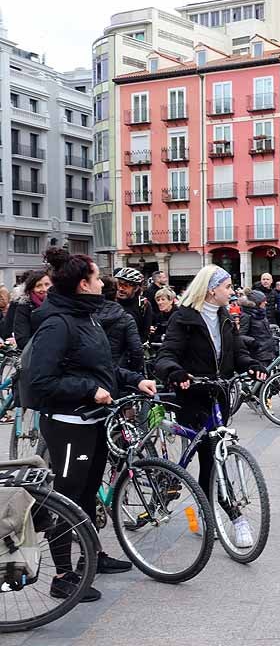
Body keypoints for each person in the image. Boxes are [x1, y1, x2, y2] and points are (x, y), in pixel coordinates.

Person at [25, 247, 158, 601]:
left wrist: (132, 380)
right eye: (98, 278)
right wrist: (89, 389)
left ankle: (93, 556)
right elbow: (40, 383)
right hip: (68, 424)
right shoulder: (58, 323)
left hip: (93, 420)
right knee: (67, 499)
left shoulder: (87, 316)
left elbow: (100, 367)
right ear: (84, 285)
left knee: (86, 495)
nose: (104, 283)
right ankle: (64, 576)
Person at [154, 265, 266, 549]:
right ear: (211, 289)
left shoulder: (224, 317)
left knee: (215, 455)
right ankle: (230, 517)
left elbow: (237, 351)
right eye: (227, 287)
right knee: (209, 459)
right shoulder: (185, 318)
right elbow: (166, 355)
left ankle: (211, 512)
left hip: (219, 394)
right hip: (192, 396)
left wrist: (251, 365)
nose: (232, 292)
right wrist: (176, 373)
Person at [97, 278, 143, 373]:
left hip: (91, 371)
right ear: (115, 293)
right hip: (119, 370)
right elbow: (136, 349)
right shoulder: (126, 318)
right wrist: (133, 371)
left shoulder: (85, 315)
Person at [12, 269, 51, 348]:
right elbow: (22, 339)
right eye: (38, 286)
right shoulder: (24, 307)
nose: (44, 289)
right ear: (31, 289)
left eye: (47, 284)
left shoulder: (60, 303)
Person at [114, 267, 154, 344]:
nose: (121, 289)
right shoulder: (111, 301)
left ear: (136, 288)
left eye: (126, 285)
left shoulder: (143, 304)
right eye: (119, 284)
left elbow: (145, 334)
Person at [239, 290, 277, 366]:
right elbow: (240, 335)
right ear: (257, 303)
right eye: (263, 301)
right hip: (258, 355)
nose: (266, 303)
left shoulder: (261, 314)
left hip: (268, 353)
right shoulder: (247, 316)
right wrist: (253, 342)